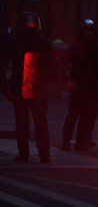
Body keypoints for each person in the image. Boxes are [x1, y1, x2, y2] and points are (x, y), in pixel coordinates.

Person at [0, 12, 52, 163]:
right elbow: (51, 66)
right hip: (38, 87)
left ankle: (24, 153)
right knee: (40, 122)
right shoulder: (43, 42)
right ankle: (44, 154)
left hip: (19, 86)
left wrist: (5, 87)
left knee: (22, 123)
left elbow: (2, 65)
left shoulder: (14, 42)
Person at [61, 19, 98, 150]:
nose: (89, 34)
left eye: (91, 31)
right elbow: (62, 64)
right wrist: (66, 80)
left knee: (86, 116)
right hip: (78, 85)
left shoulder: (97, 47)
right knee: (73, 115)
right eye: (87, 31)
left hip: (91, 86)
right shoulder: (75, 47)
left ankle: (80, 141)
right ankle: (66, 141)